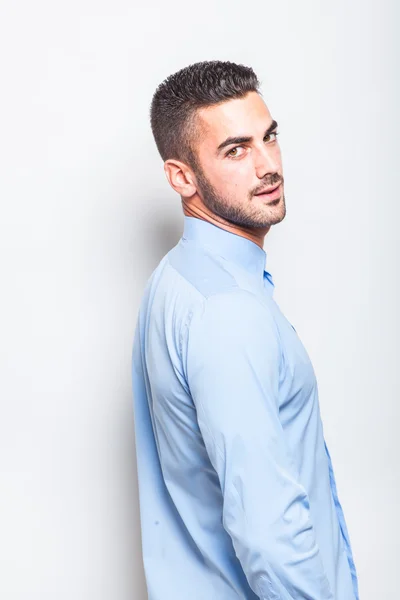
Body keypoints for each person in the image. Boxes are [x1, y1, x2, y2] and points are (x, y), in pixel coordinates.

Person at [131, 60, 359, 600]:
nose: (268, 165)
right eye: (235, 150)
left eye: (269, 137)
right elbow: (268, 532)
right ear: (180, 177)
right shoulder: (227, 311)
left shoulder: (177, 279)